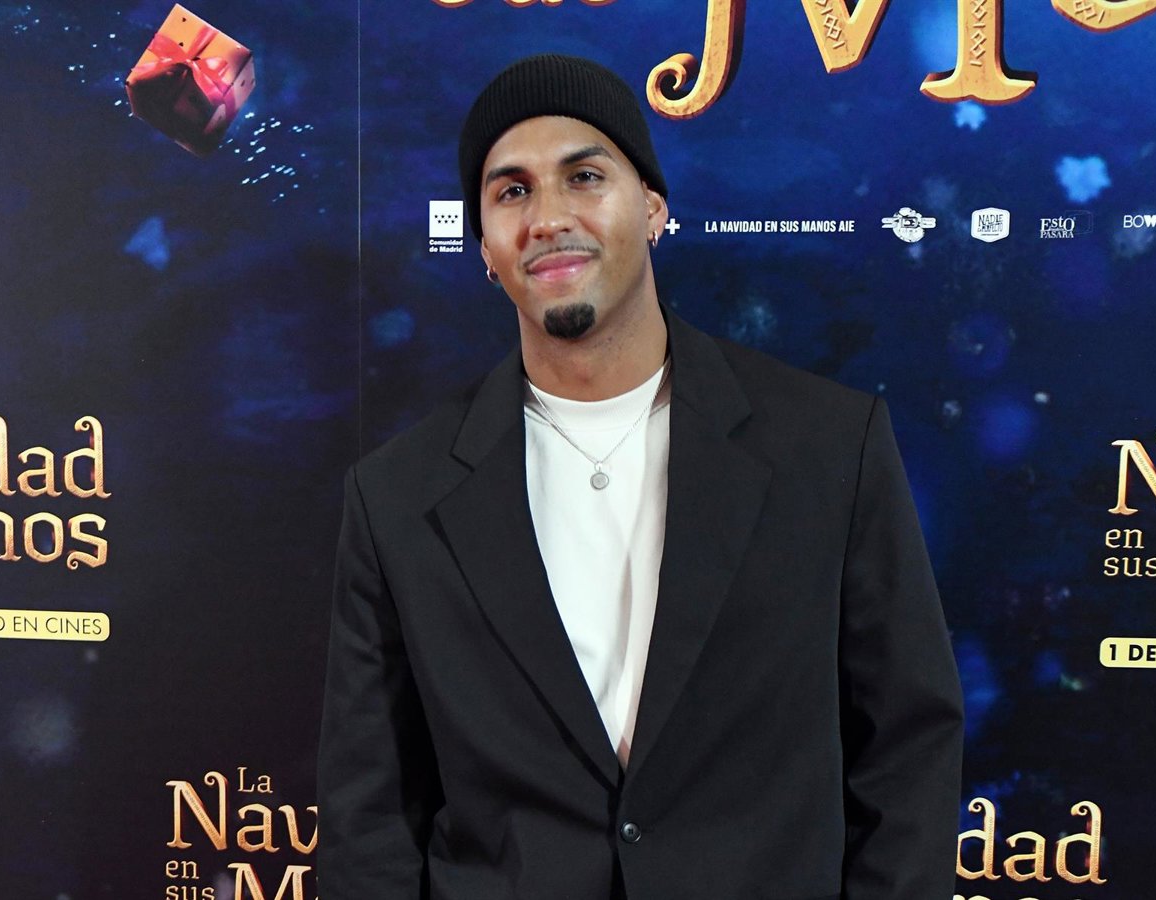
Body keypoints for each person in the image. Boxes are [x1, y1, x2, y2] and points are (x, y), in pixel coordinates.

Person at [318, 53, 964, 900]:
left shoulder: (830, 448)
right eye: (511, 192)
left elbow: (907, 749)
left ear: (653, 207)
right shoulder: (397, 497)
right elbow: (369, 814)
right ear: (484, 249)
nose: (548, 218)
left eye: (584, 177)